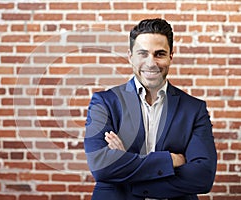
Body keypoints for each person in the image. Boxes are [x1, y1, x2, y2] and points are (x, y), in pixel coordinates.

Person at [84, 18, 217, 200]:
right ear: (130, 56)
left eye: (159, 54)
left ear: (171, 56)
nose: (151, 63)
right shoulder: (105, 103)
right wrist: (171, 160)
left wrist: (126, 163)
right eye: (143, 53)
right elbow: (102, 167)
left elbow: (203, 177)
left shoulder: (194, 109)